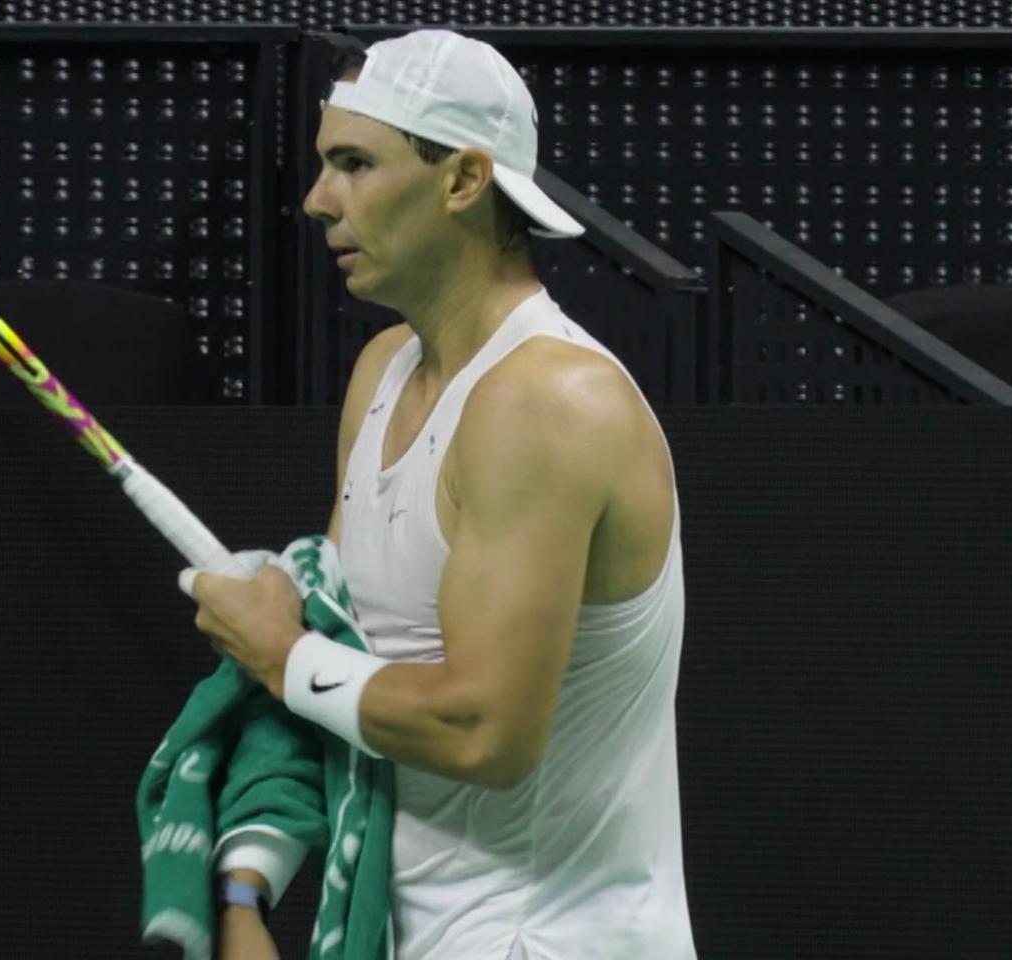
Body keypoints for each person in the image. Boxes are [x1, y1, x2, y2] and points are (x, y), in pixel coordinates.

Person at [187, 28, 695, 960]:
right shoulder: (385, 371)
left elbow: (484, 730)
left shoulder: (545, 402)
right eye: (322, 164)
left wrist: (279, 653)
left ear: (462, 181)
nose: (316, 200)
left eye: (354, 165)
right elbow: (341, 654)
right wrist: (247, 886)